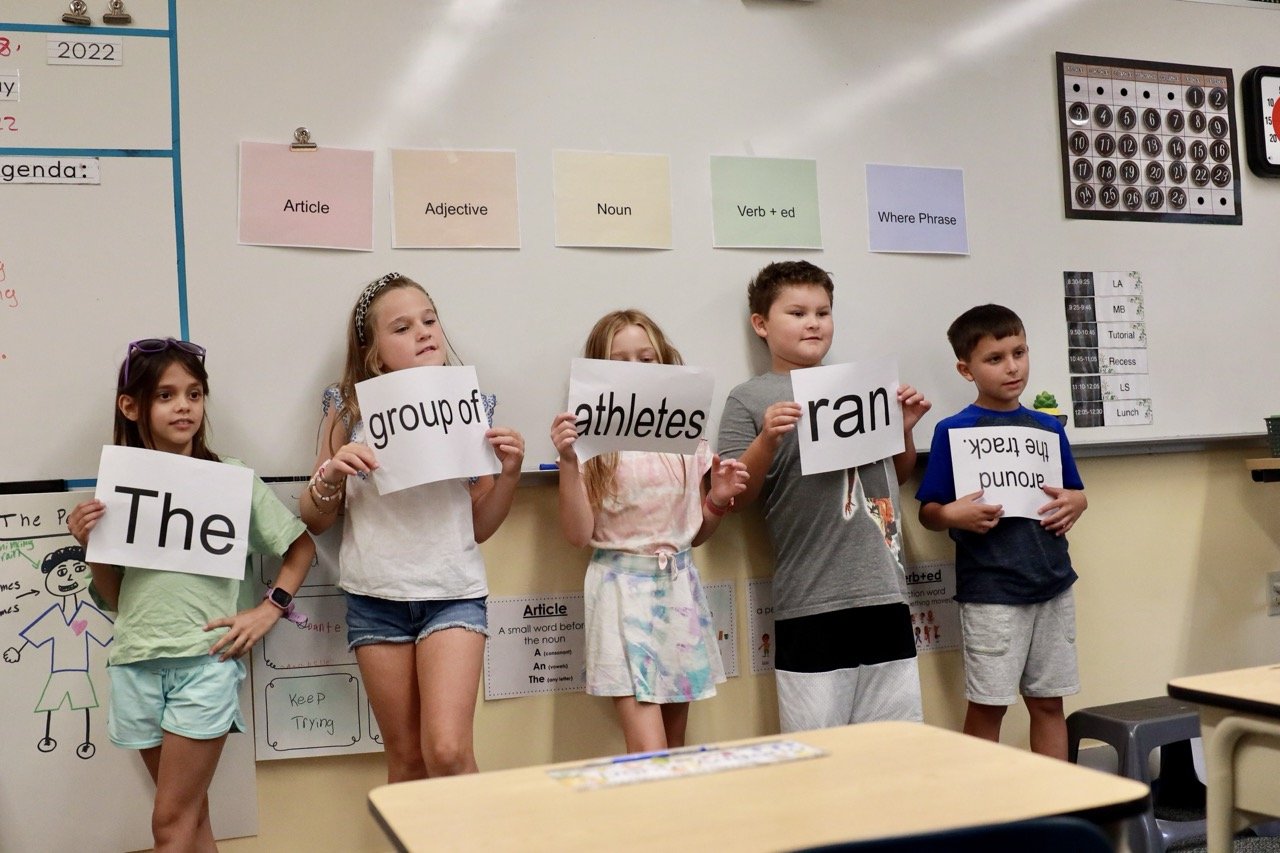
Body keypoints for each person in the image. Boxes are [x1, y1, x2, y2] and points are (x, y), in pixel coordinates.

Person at [65, 337, 315, 851]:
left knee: (168, 826)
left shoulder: (230, 477)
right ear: (131, 406)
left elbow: (300, 547)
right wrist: (91, 545)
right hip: (136, 658)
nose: (184, 406)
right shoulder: (120, 487)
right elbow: (115, 598)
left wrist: (270, 610)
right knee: (191, 819)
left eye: (195, 394)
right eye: (166, 395)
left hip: (204, 660)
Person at [300, 272, 524, 782]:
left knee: (446, 751)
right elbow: (314, 517)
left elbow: (481, 525)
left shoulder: (469, 406)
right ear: (375, 353)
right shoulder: (346, 407)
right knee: (407, 760)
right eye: (401, 327)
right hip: (375, 598)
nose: (423, 332)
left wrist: (509, 475)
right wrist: (332, 473)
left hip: (452, 591)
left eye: (429, 320)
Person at [717, 261, 931, 732]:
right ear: (761, 325)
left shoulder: (862, 387)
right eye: (796, 312)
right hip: (811, 599)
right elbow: (733, 497)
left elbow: (895, 477)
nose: (813, 322)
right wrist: (766, 440)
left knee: (896, 743)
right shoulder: (749, 398)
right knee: (817, 748)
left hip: (884, 593)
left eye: (823, 312)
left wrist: (904, 432)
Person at [550, 309, 748, 753]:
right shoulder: (591, 442)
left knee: (675, 745)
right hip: (620, 592)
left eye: (647, 359)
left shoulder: (687, 440)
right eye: (622, 361)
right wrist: (567, 460)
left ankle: (673, 823)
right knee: (649, 749)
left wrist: (715, 498)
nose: (637, 370)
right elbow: (578, 534)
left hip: (678, 589)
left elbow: (694, 534)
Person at [915, 304, 1087, 759]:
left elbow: (1074, 493)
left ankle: (1056, 807)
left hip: (1052, 583)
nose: (1012, 367)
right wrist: (953, 516)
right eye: (995, 358)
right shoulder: (953, 431)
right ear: (965, 369)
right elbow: (929, 511)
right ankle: (984, 811)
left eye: (1019, 352)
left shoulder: (1048, 428)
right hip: (991, 589)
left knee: (1049, 702)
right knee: (989, 706)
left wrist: (1077, 503)